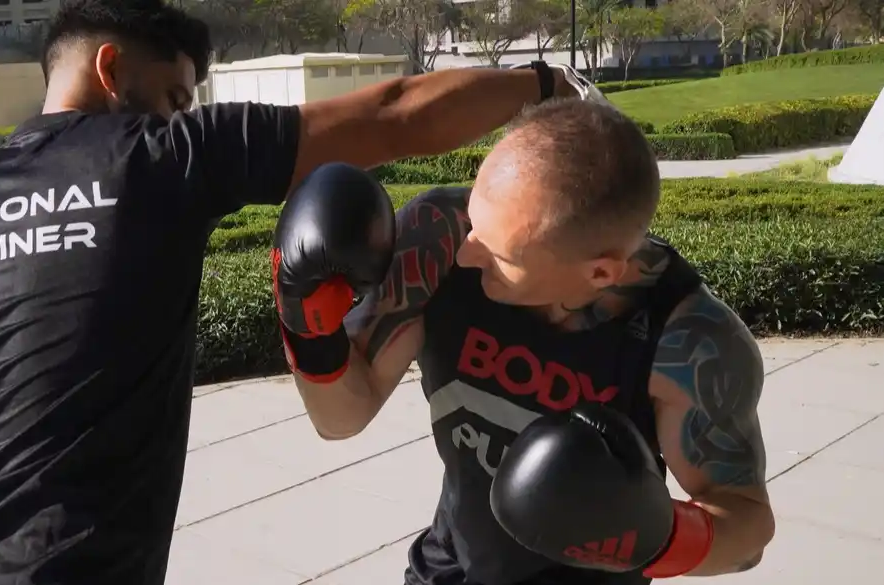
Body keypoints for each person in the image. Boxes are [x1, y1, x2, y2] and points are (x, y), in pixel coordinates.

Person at [0, 0, 588, 582]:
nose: (180, 114)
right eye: (172, 94)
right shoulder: (158, 157)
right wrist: (548, 85)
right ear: (111, 69)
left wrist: (3, 448)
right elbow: (391, 113)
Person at [271, 97, 776, 585]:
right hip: (449, 569)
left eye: (500, 255)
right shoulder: (439, 240)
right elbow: (340, 419)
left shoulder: (689, 342)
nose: (467, 256)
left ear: (600, 271)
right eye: (475, 219)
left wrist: (657, 536)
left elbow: (748, 530)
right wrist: (307, 325)